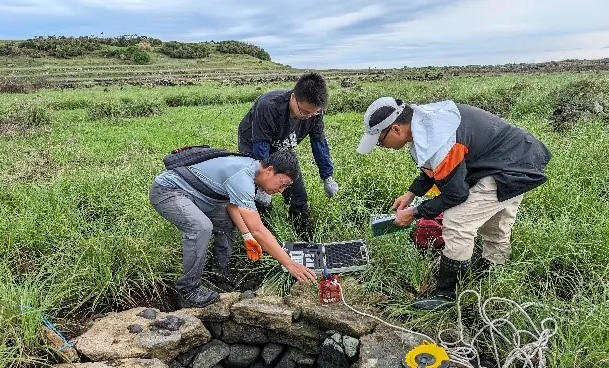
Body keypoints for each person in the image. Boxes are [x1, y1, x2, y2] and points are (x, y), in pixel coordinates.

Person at [357, 97, 551, 310]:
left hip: (511, 167)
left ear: (395, 129)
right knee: (494, 220)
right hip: (516, 155)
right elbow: (437, 168)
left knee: (457, 221)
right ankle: (493, 271)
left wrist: (414, 213)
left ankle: (447, 295)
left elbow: (455, 195)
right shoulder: (422, 120)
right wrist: (412, 193)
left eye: (380, 140)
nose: (380, 146)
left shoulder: (440, 140)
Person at [149, 148, 316, 308]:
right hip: (168, 191)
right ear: (270, 170)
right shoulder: (242, 176)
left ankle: (219, 273)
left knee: (226, 222)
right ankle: (188, 290)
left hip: (198, 196)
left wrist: (247, 237)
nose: (281, 190)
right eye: (282, 184)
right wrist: (290, 264)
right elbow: (258, 229)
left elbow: (232, 206)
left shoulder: (252, 168)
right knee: (201, 228)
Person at [238, 72, 339, 242]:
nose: (308, 117)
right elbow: (261, 147)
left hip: (283, 147)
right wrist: (263, 186)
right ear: (293, 97)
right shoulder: (268, 106)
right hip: (254, 145)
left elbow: (319, 142)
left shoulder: (315, 113)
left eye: (313, 113)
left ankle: (306, 241)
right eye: (305, 112)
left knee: (298, 197)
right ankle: (264, 242)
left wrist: (327, 176)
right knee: (260, 201)